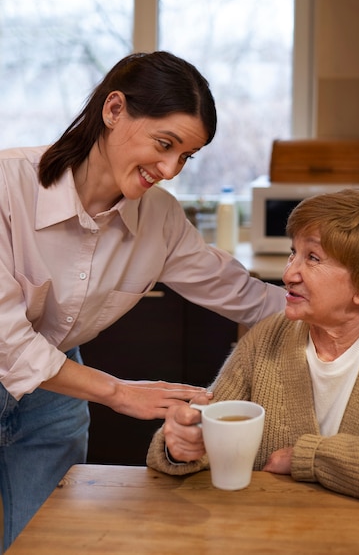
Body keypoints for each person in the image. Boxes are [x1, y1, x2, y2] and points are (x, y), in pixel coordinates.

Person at [0, 50, 286, 551]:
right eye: (164, 143)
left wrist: (348, 308)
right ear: (114, 110)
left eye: (185, 156)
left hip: (58, 392)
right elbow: (8, 339)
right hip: (71, 378)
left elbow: (243, 296)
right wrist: (119, 392)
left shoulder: (160, 220)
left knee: (42, 542)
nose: (171, 169)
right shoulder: (8, 187)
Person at [147, 188, 359, 510]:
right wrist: (179, 444)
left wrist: (308, 457)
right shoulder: (268, 336)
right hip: (271, 527)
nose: (289, 274)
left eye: (313, 258)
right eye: (294, 253)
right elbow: (210, 428)